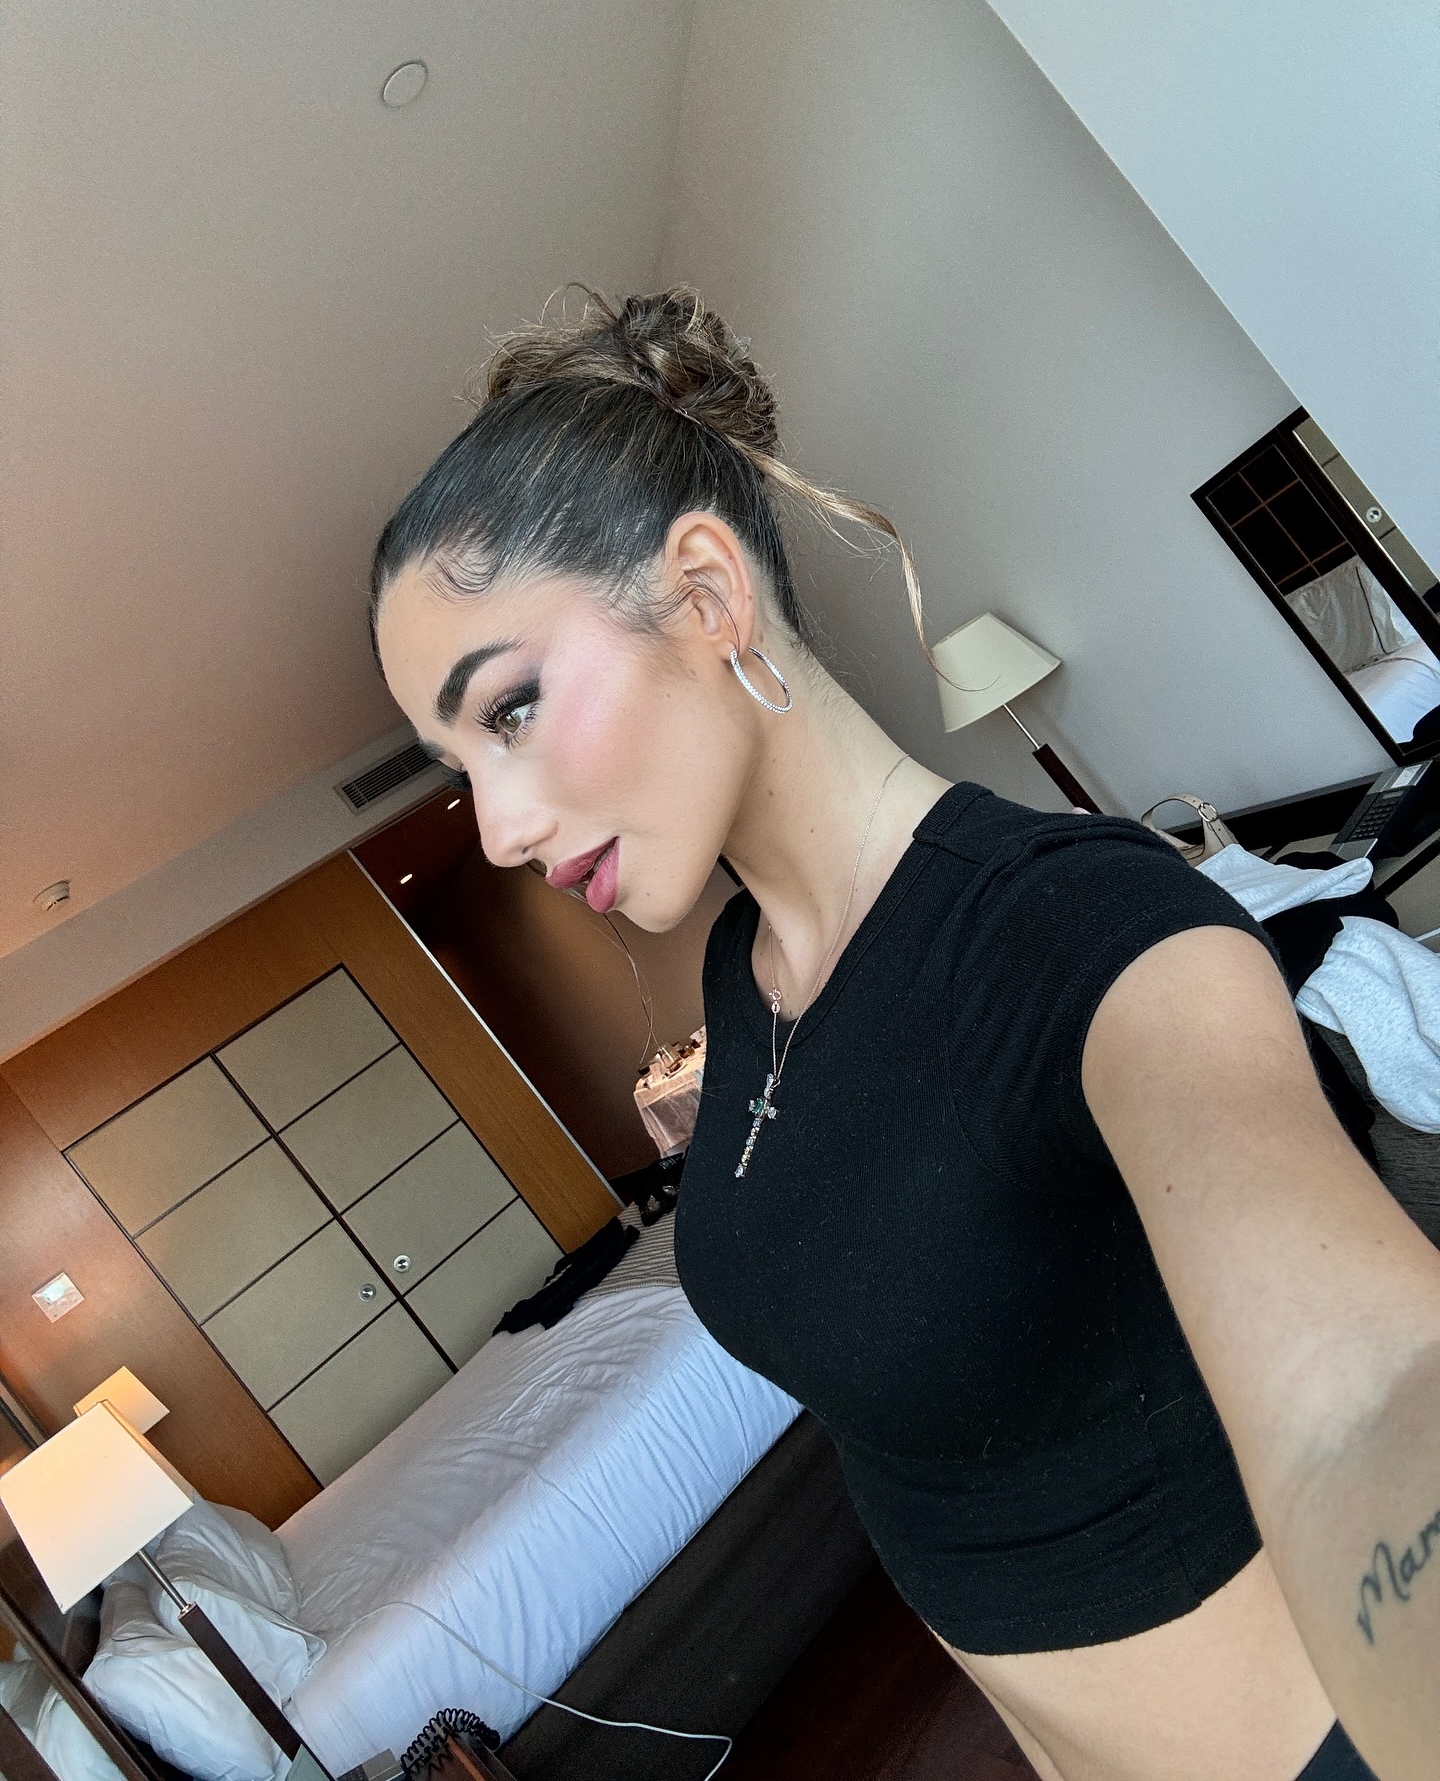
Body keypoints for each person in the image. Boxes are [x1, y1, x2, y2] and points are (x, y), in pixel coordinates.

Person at [368, 287, 1440, 1781]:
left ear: (706, 594)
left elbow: (1366, 1401)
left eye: (509, 712)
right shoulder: (745, 971)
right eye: (456, 765)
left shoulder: (1076, 928)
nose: (493, 830)